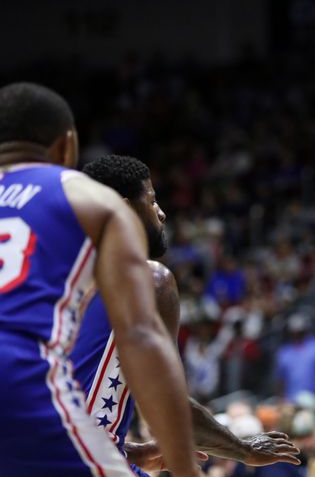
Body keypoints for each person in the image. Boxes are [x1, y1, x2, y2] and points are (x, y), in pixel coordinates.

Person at [0, 82, 200, 476]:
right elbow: (140, 338)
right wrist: (186, 469)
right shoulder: (86, 196)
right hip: (22, 375)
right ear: (66, 146)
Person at [71, 154, 301, 475]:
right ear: (123, 209)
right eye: (152, 201)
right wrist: (244, 449)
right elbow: (167, 406)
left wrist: (128, 451)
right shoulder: (149, 280)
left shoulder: (50, 280)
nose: (162, 213)